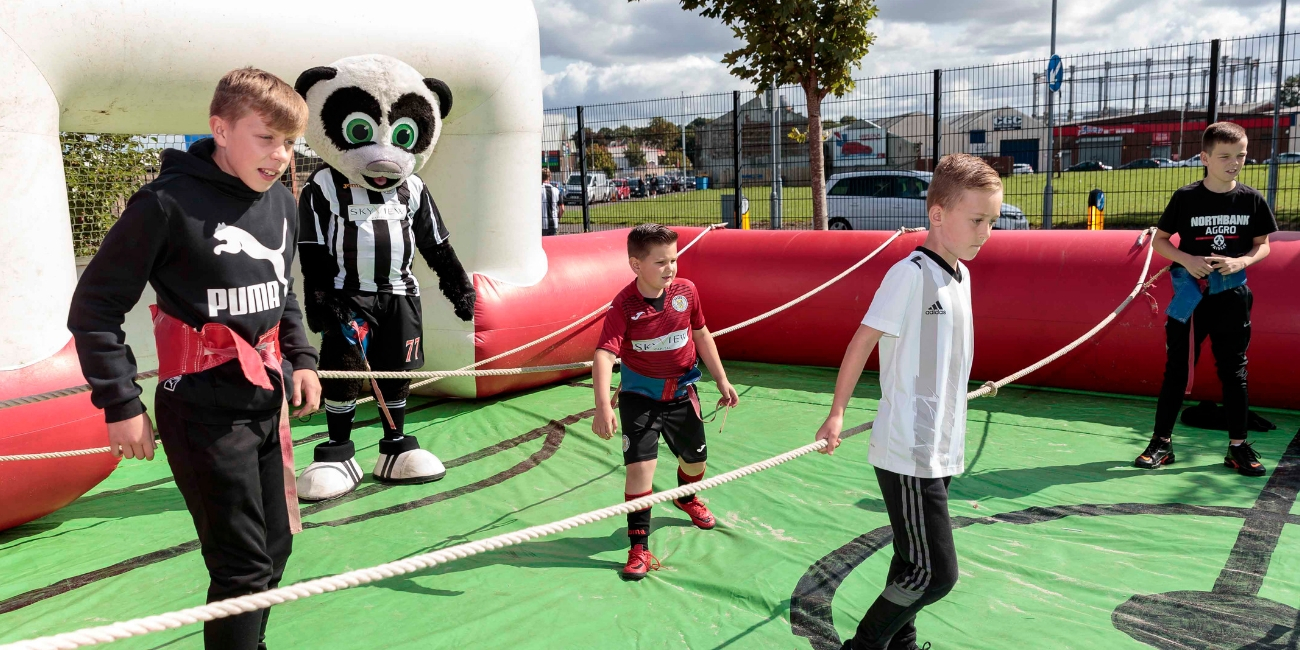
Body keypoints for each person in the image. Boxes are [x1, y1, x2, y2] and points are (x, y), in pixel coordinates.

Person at [67, 68, 321, 649]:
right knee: (241, 568)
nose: (281, 155)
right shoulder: (164, 205)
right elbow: (95, 307)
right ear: (221, 130)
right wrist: (121, 403)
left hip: (266, 398)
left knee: (274, 552)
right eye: (266, 138)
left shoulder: (281, 201)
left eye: (290, 142)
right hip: (202, 412)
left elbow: (281, 291)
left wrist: (301, 357)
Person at [814, 153, 1000, 650]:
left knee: (910, 558)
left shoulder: (960, 276)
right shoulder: (910, 274)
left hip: (939, 444)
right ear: (937, 215)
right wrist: (836, 415)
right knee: (937, 574)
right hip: (909, 451)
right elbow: (862, 342)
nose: (986, 231)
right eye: (977, 220)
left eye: (992, 221)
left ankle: (901, 643)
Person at [591, 223, 740, 581]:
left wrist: (721, 379)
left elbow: (701, 333)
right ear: (635, 265)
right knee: (640, 470)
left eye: (673, 259)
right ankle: (638, 546)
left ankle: (685, 497)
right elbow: (603, 355)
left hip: (681, 395)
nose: (670, 268)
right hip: (639, 398)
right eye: (660, 262)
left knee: (695, 461)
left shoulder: (686, 292)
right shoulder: (624, 305)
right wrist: (602, 406)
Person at [1134, 121, 1277, 476]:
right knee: (1177, 371)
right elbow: (1161, 240)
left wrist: (1241, 260)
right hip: (1191, 299)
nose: (1235, 162)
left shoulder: (1251, 199)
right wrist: (1188, 259)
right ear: (1205, 158)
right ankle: (1161, 443)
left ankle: (1238, 447)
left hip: (1232, 296)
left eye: (1241, 155)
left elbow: (1264, 246)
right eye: (1225, 156)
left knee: (1234, 372)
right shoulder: (1186, 197)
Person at [542, 168, 565, 236]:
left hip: (542, 224)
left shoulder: (538, 190)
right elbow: (562, 208)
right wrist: (558, 218)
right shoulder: (556, 190)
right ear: (550, 177)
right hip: (554, 223)